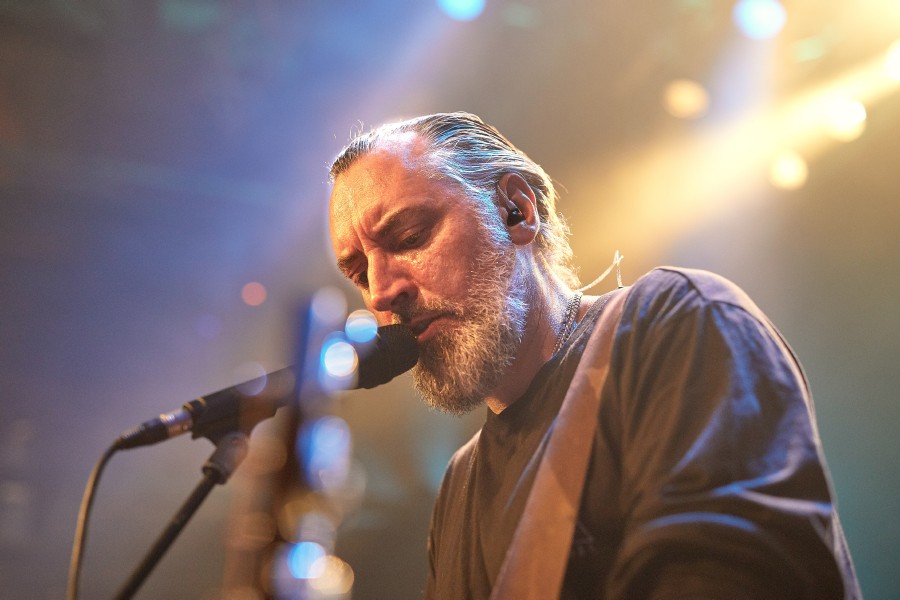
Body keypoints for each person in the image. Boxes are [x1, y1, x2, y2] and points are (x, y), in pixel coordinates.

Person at [327, 112, 861, 599]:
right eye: (359, 273)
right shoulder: (459, 486)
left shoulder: (674, 323)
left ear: (516, 211)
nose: (380, 292)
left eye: (409, 236)